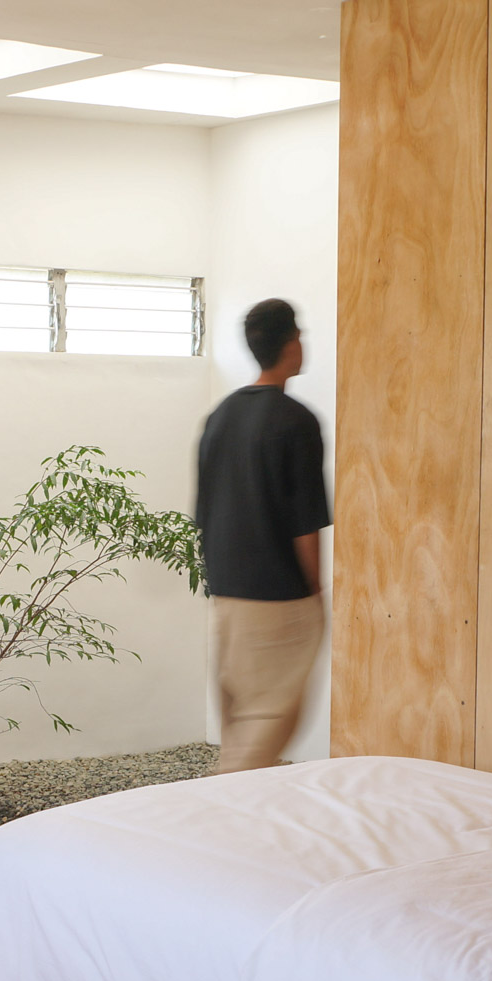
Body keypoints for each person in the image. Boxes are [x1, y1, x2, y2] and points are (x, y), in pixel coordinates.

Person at [194, 298, 329, 774]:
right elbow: (303, 524)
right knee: (264, 727)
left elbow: (204, 516)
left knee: (240, 730)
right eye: (300, 334)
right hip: (278, 601)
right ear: (290, 344)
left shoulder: (219, 418)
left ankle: (242, 824)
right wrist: (315, 594)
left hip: (227, 597)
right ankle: (213, 825)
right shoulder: (297, 421)